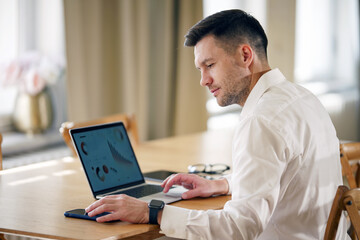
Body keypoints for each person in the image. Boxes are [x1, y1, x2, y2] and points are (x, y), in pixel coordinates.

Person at [86, 9, 348, 239]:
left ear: (246, 55)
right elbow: (289, 174)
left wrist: (152, 212)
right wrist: (223, 184)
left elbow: (239, 228)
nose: (204, 80)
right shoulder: (302, 97)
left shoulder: (261, 120)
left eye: (209, 65)